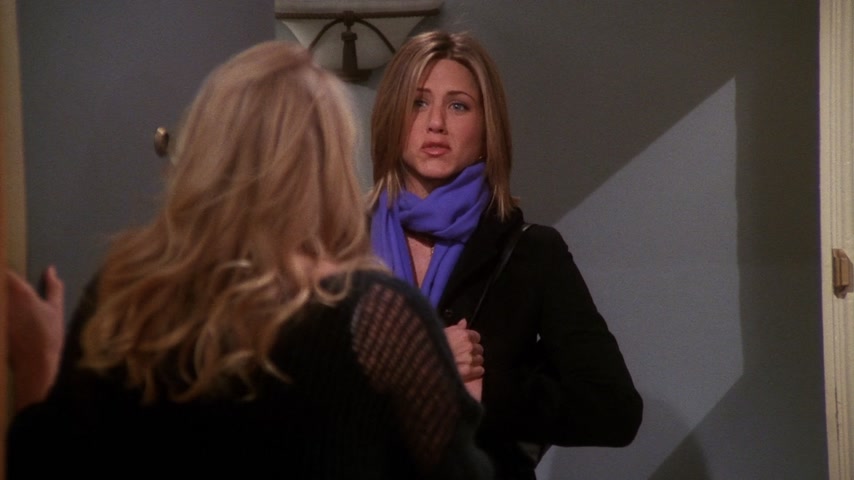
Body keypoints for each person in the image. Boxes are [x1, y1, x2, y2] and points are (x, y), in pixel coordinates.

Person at [6, 40, 493, 479]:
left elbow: (44, 464)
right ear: (328, 169)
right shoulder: (379, 316)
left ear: (201, 152)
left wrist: (36, 363)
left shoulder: (127, 294)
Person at [368, 30, 643, 479]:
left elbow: (614, 409)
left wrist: (485, 390)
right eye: (418, 102)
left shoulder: (533, 253)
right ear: (390, 117)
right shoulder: (335, 244)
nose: (435, 123)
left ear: (486, 128)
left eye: (458, 106)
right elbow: (282, 400)